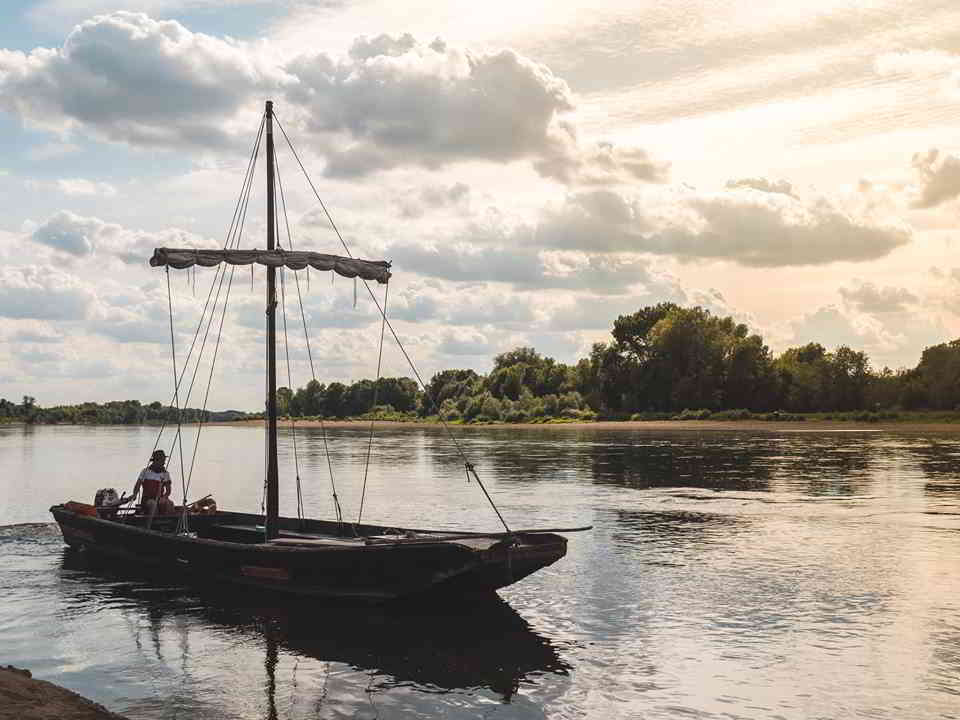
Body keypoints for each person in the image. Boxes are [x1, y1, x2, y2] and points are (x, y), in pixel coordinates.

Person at [131, 449, 175, 527]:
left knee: (170, 503)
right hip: (147, 499)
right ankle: (152, 526)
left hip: (159, 498)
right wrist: (134, 495)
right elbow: (138, 485)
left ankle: (169, 525)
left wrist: (164, 497)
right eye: (162, 461)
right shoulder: (145, 471)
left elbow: (168, 491)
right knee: (153, 504)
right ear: (156, 461)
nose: (164, 463)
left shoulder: (165, 474)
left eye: (164, 461)